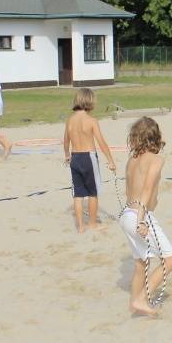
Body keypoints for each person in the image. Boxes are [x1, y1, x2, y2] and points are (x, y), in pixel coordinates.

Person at [119, 117, 172, 316]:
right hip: (140, 215)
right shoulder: (157, 160)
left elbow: (130, 191)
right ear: (156, 137)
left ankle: (135, 304)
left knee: (140, 262)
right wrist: (142, 219)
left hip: (127, 214)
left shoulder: (131, 161)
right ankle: (142, 298)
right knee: (170, 259)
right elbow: (147, 188)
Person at [64, 87, 116, 233]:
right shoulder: (91, 121)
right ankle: (92, 224)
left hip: (75, 157)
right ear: (91, 102)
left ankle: (80, 226)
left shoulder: (70, 121)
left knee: (79, 194)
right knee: (93, 192)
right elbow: (101, 142)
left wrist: (67, 155)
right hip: (88, 157)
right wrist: (111, 161)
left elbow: (65, 141)